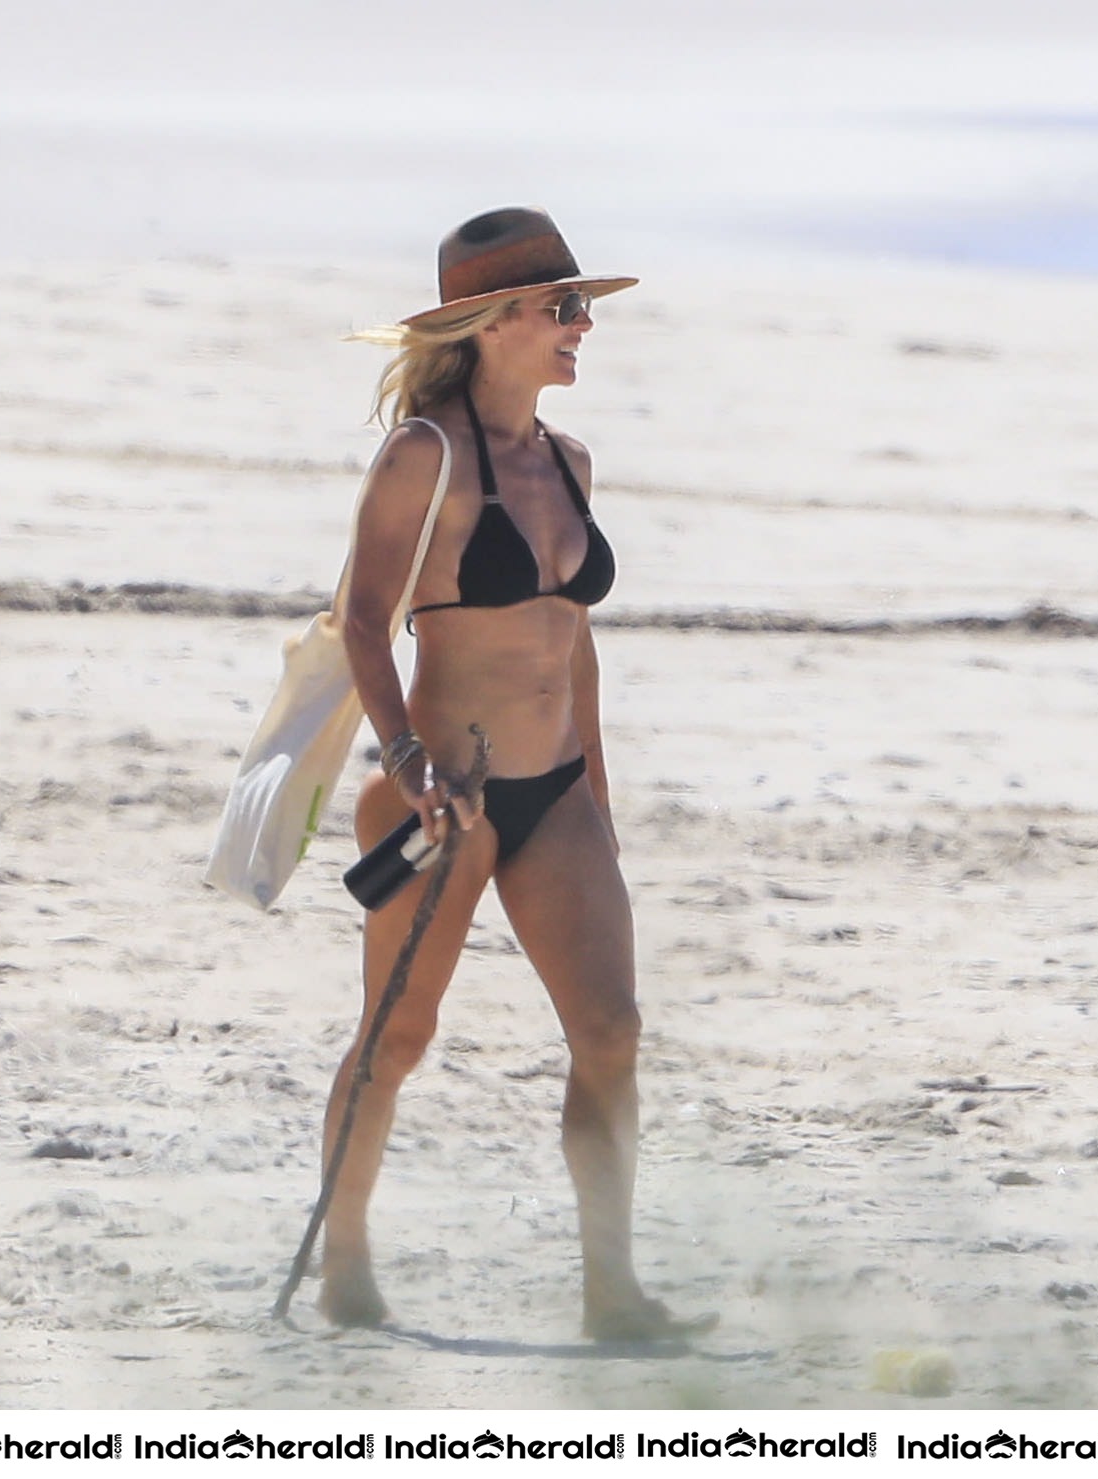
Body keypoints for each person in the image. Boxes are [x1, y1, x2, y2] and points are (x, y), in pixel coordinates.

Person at [318, 206, 708, 1342]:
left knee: (612, 1032)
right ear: (492, 325)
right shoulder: (422, 456)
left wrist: (601, 800)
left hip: (559, 793)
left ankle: (612, 1293)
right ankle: (344, 1258)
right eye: (561, 308)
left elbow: (569, 640)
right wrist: (403, 760)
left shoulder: (571, 462)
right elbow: (359, 623)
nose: (582, 326)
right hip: (444, 795)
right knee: (397, 1038)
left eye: (582, 306)